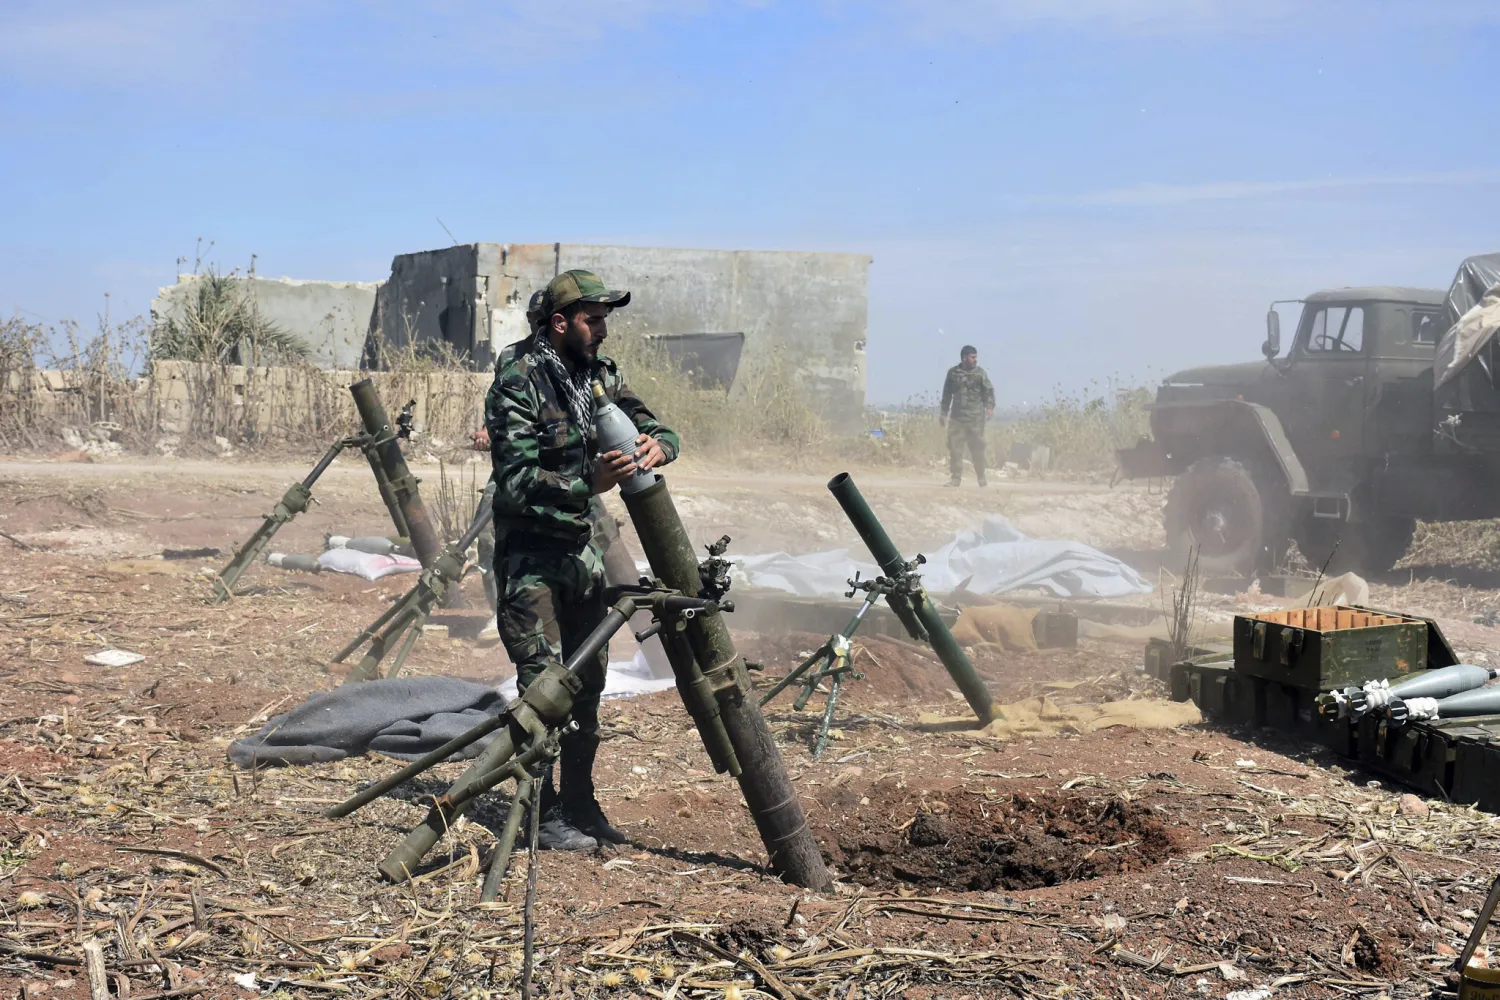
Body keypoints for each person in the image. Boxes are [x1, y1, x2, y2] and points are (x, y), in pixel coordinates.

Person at [485, 269, 679, 851]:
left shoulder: (597, 376)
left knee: (589, 684)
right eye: (592, 321)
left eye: (603, 321)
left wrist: (657, 444)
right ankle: (541, 816)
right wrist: (586, 480)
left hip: (582, 557)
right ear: (561, 322)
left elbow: (653, 422)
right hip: (532, 564)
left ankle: (580, 803)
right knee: (544, 691)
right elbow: (514, 482)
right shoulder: (517, 381)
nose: (601, 331)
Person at [939, 345, 995, 488]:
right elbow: (946, 395)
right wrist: (943, 413)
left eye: (976, 357)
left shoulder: (980, 374)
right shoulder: (953, 373)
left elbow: (988, 391)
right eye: (972, 357)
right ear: (964, 358)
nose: (975, 360)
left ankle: (981, 477)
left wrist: (989, 407)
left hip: (975, 419)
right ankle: (955, 479)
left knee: (977, 450)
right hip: (957, 419)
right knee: (955, 449)